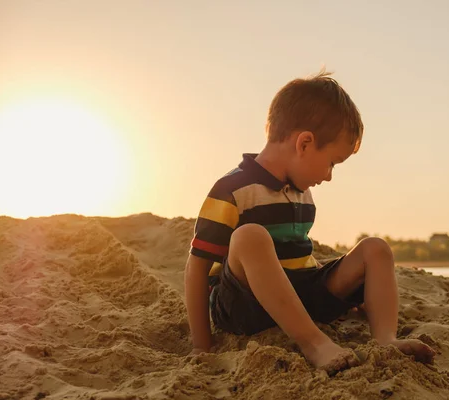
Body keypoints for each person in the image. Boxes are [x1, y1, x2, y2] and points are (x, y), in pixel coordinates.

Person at [184, 70, 435, 375]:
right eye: (332, 162)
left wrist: (353, 293)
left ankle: (385, 338)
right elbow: (197, 267)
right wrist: (202, 344)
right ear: (304, 143)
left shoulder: (303, 195)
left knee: (375, 248)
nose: (329, 175)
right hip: (244, 303)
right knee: (250, 236)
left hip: (299, 294)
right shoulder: (231, 190)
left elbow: (299, 257)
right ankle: (315, 343)